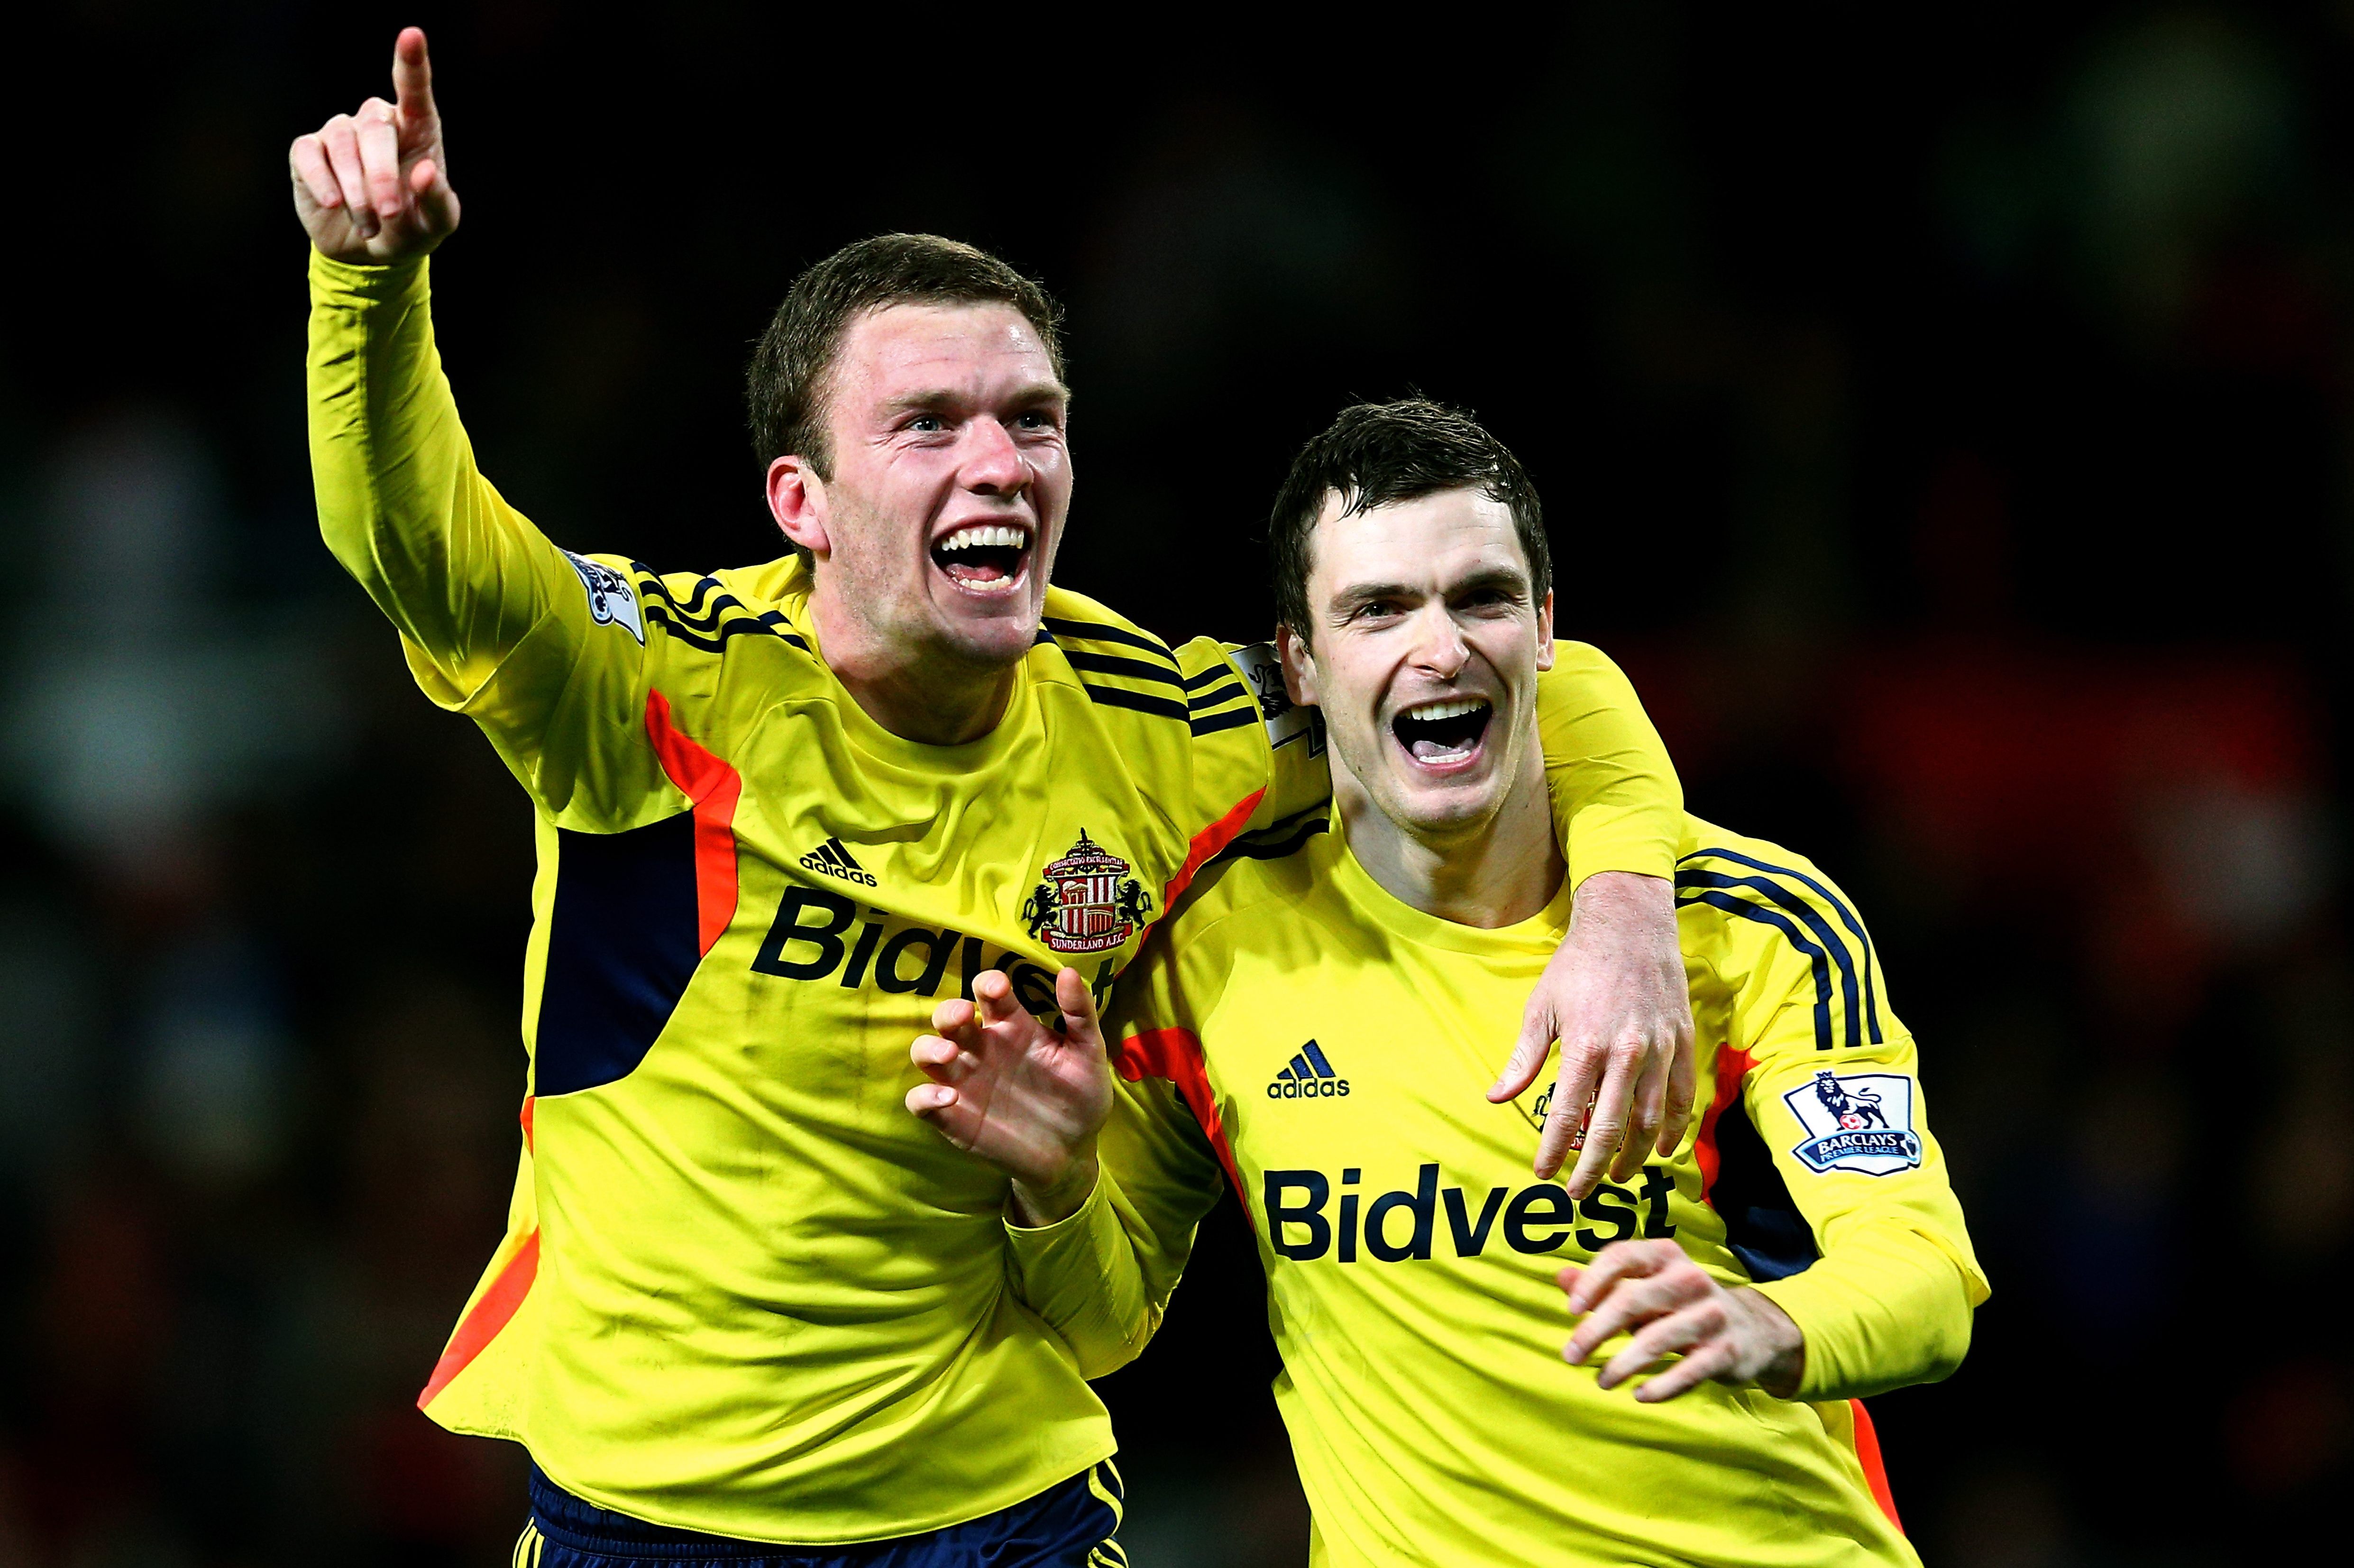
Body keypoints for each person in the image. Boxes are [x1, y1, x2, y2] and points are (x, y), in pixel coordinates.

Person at [289, 27, 1702, 1566]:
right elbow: (409, 539)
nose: (1002, 463)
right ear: (800, 505)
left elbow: (1533, 674)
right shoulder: (650, 691)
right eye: (928, 424)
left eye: (1031, 420)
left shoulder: (1157, 725)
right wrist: (368, 287)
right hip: (649, 1513)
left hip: (998, 1513)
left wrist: (1625, 906)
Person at [910, 401, 1989, 1567]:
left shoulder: (1747, 924)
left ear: (1543, 630)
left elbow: (1923, 1284)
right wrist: (1061, 1181)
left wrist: (1765, 1320)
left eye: (1479, 598)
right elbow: (1105, 1323)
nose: (1439, 649)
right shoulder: (1215, 948)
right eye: (1377, 609)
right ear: (1301, 665)